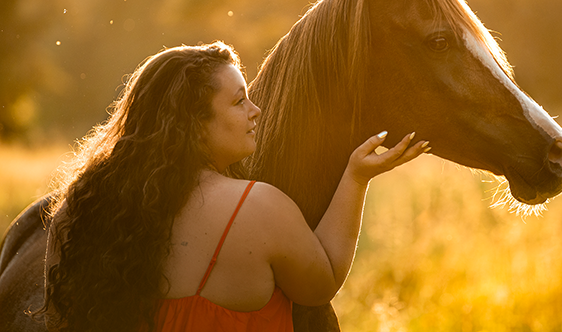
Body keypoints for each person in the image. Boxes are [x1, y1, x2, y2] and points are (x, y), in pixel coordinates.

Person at [41, 41, 428, 332]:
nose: (255, 111)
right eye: (240, 101)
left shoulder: (84, 209)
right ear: (192, 124)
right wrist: (356, 177)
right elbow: (320, 285)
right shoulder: (259, 207)